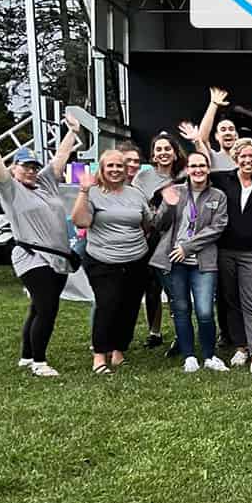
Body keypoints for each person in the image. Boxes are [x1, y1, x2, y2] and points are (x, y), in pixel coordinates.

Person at [0, 106, 80, 377]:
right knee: (48, 309)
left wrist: (71, 132)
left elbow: (61, 157)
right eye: (25, 166)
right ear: (14, 168)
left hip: (58, 258)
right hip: (32, 258)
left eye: (34, 166)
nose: (31, 171)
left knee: (38, 307)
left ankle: (27, 356)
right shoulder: (10, 190)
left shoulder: (46, 183)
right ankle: (39, 361)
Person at [72, 150, 153, 374]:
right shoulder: (93, 193)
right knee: (107, 304)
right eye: (111, 166)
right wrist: (83, 191)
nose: (115, 170)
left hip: (136, 260)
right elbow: (81, 221)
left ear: (127, 169)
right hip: (102, 261)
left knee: (129, 307)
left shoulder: (135, 194)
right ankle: (99, 355)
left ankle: (118, 351)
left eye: (120, 166)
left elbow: (147, 222)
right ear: (102, 169)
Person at [150, 151, 229, 372]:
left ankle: (210, 355)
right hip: (174, 261)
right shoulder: (177, 192)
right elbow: (159, 224)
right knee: (181, 308)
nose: (198, 170)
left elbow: (217, 228)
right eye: (193, 166)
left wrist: (188, 247)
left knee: (204, 311)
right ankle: (189, 356)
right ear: (187, 169)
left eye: (202, 165)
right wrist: (167, 205)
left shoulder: (218, 196)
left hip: (203, 261)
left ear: (208, 168)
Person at [209, 138, 252, 378]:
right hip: (225, 251)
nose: (248, 160)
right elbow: (195, 173)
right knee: (231, 300)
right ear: (235, 158)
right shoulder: (222, 179)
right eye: (243, 156)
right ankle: (240, 347)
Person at [134, 132, 187, 351]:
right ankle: (154, 332)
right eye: (159, 150)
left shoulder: (186, 175)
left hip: (177, 240)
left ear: (175, 153)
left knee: (176, 290)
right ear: (153, 156)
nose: (163, 153)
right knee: (152, 289)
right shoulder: (142, 178)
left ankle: (180, 334)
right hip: (151, 238)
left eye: (168, 149)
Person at [192, 86, 238, 171]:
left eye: (231, 129)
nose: (227, 132)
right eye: (223, 130)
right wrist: (213, 104)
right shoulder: (212, 157)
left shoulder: (245, 160)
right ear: (217, 136)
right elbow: (202, 139)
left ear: (236, 135)